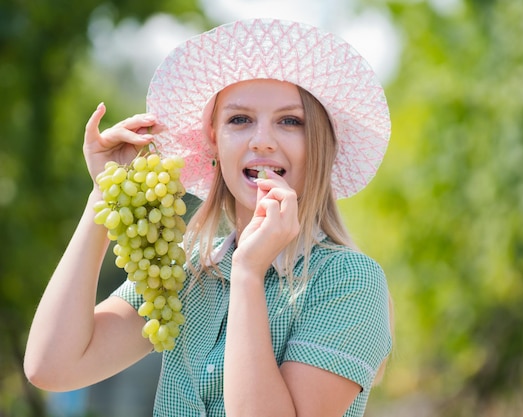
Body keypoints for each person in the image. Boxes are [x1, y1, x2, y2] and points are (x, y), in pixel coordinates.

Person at [24, 18, 393, 417]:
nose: (262, 139)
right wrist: (104, 195)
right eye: (239, 120)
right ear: (213, 140)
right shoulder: (186, 272)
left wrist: (249, 275)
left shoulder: (349, 282)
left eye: (291, 121)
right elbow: (52, 366)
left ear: (318, 145)